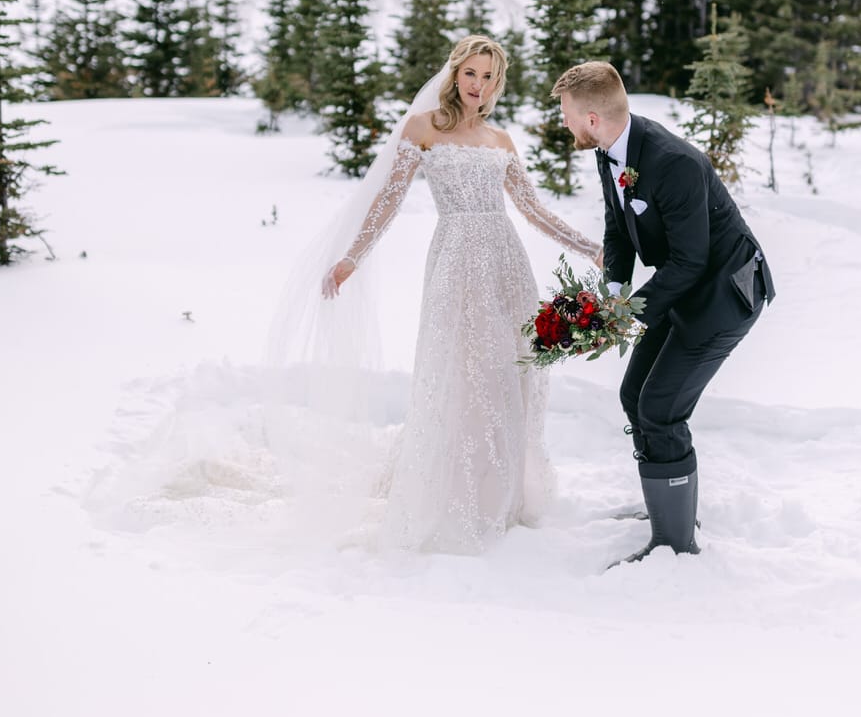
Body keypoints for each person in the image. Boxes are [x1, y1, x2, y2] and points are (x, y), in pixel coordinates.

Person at [324, 36, 600, 553]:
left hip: (506, 263)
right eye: (472, 74)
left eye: (490, 77)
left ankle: (504, 491)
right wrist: (351, 257)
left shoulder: (501, 141)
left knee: (511, 372)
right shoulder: (422, 129)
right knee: (466, 372)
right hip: (456, 261)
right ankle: (457, 494)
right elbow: (389, 199)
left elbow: (533, 210)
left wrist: (590, 247)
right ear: (455, 74)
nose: (479, 85)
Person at [553, 61, 775, 563]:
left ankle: (675, 543)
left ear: (591, 117)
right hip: (682, 288)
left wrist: (627, 319)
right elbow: (617, 228)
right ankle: (668, 507)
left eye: (566, 114)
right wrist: (613, 297)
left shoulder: (672, 161)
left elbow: (691, 262)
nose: (563, 123)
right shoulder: (609, 150)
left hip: (724, 296)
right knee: (635, 394)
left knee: (660, 409)